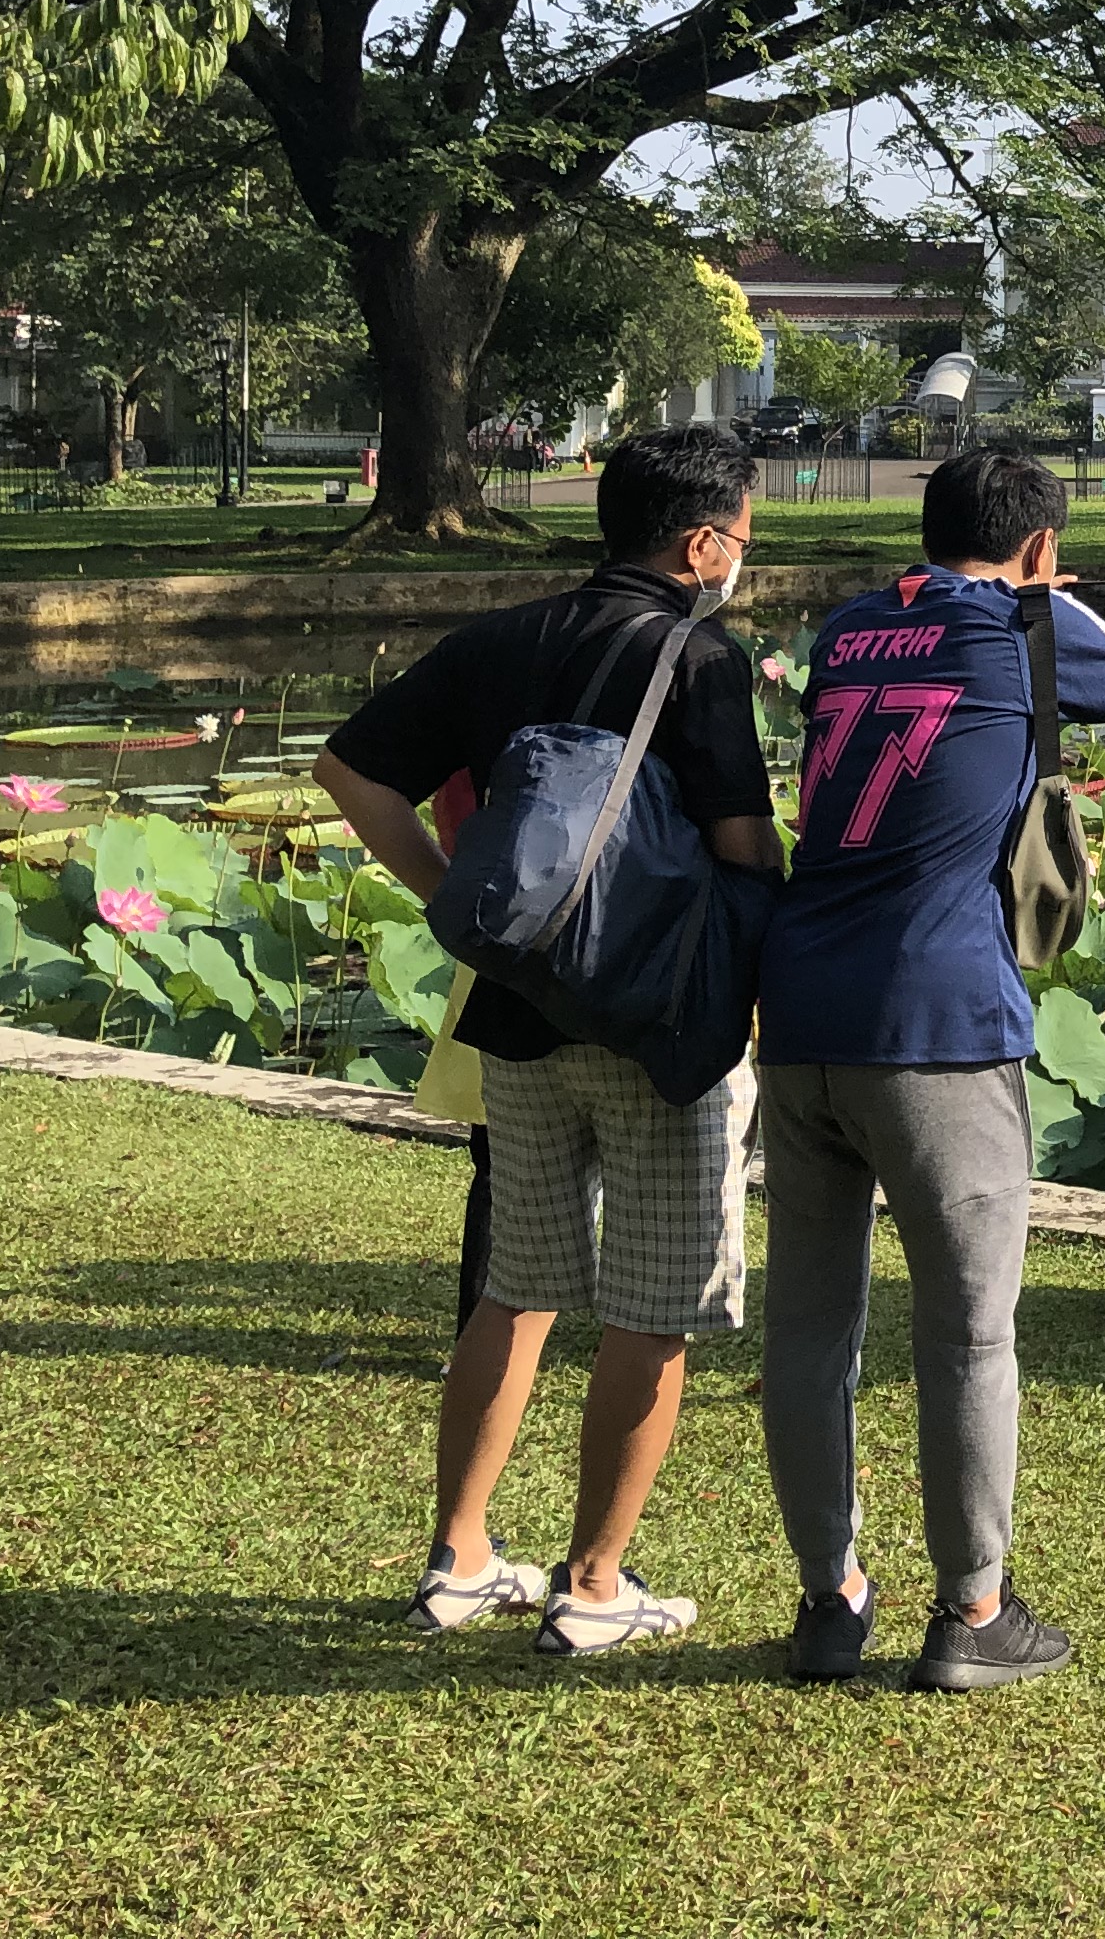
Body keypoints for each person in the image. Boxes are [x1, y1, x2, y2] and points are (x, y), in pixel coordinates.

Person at [749, 446, 1105, 1691]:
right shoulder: (1029, 619)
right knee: (966, 1333)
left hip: (797, 1014)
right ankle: (973, 1612)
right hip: (937, 1014)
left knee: (808, 1326)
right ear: (1044, 548)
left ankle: (830, 1600)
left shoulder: (850, 630)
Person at [317, 424, 778, 1654]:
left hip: (516, 1013)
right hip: (661, 1030)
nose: (745, 553)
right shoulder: (702, 657)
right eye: (744, 532)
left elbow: (350, 770)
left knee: (515, 1290)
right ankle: (593, 1583)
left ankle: (459, 1557)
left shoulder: (497, 639)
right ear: (701, 542)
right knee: (654, 1306)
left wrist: (450, 899)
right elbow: (744, 850)